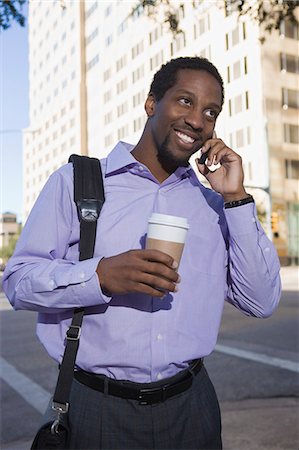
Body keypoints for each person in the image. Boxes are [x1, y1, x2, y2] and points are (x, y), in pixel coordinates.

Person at [3, 57, 281, 449]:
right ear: (152, 103)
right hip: (96, 407)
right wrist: (98, 276)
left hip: (192, 407)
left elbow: (262, 300)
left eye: (210, 111)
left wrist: (236, 197)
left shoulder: (214, 206)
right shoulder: (78, 183)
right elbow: (18, 282)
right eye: (184, 101)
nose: (197, 120)